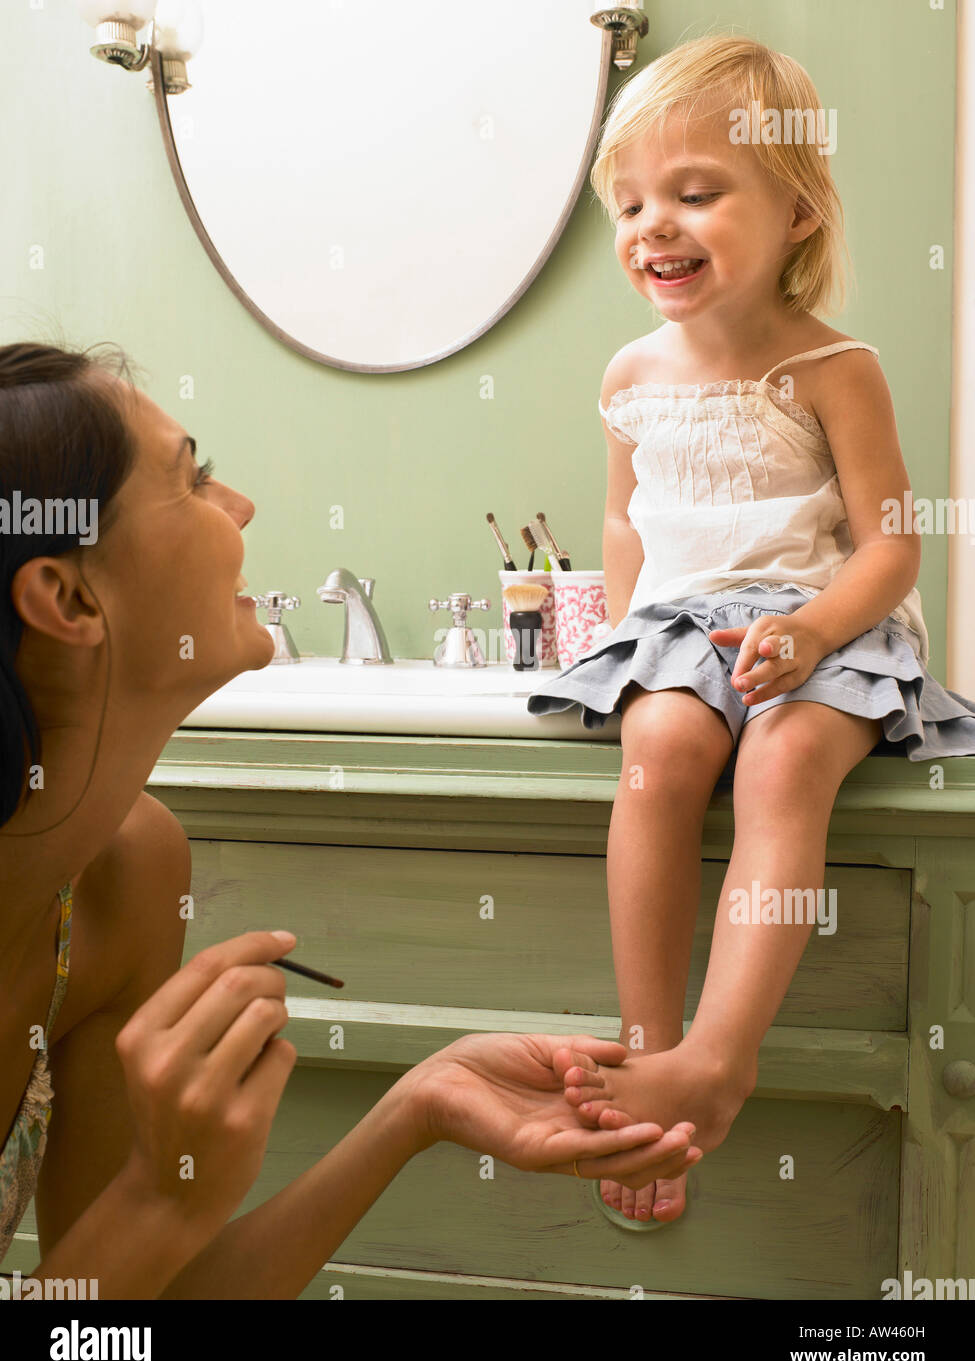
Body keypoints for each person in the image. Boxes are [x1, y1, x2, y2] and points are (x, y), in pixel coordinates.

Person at [0, 339, 705, 1299]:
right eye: (191, 480)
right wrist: (162, 1200)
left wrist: (416, 1108)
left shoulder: (126, 874)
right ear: (68, 597)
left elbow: (131, 1315)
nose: (239, 506)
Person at [527, 33, 975, 1227]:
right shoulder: (630, 374)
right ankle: (646, 1050)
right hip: (682, 627)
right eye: (629, 203)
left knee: (778, 759)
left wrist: (818, 630)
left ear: (795, 213)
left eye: (695, 192)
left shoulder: (835, 364)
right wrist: (629, 647)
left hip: (824, 628)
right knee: (660, 754)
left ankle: (720, 1057)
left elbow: (893, 542)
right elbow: (627, 522)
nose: (651, 226)